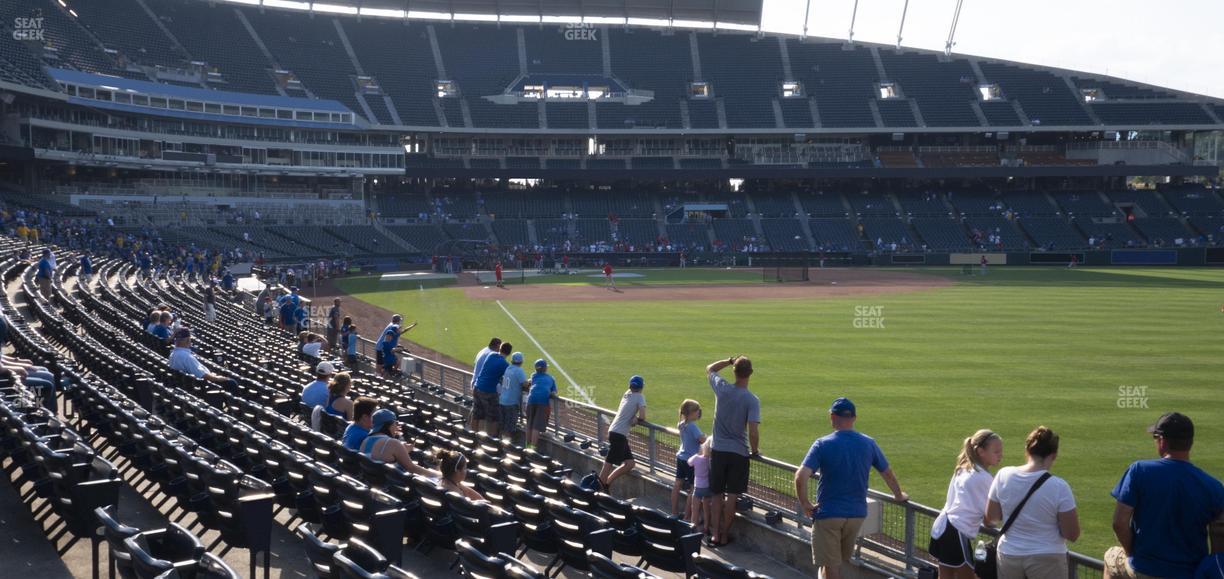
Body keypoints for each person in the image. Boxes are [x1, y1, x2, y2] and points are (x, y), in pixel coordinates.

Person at [795, 397, 907, 579]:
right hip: (856, 515)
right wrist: (899, 495)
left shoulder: (822, 444)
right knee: (833, 563)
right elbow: (887, 473)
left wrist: (805, 504)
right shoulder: (868, 443)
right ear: (854, 418)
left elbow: (800, 476)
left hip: (828, 515)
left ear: (832, 417)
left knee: (831, 567)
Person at [1104, 413, 1224, 579]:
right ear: (1191, 442)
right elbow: (1219, 541)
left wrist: (1133, 553)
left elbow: (1119, 523)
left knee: (1110, 556)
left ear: (1162, 440)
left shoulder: (1139, 470)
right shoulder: (1214, 487)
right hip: (1190, 573)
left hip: (1144, 568)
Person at [985, 426, 1080, 579]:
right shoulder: (1059, 486)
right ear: (1054, 455)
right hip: (1048, 557)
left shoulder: (1003, 475)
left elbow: (991, 518)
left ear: (1027, 450)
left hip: (1009, 555)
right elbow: (1072, 533)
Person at [930, 430, 1004, 579]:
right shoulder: (983, 477)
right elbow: (990, 519)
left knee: (945, 576)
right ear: (981, 451)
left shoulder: (963, 468)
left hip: (943, 527)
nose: (1000, 455)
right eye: (996, 452)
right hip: (956, 532)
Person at [705, 356, 761, 549]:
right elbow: (753, 431)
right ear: (750, 373)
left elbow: (710, 368)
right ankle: (723, 535)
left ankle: (713, 534)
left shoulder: (722, 388)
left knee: (716, 495)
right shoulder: (752, 400)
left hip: (718, 450)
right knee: (732, 497)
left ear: (734, 372)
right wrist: (755, 451)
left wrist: (729, 360)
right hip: (739, 453)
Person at [598, 375, 646, 492]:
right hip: (619, 434)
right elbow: (643, 416)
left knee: (630, 463)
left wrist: (635, 417)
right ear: (641, 387)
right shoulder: (640, 397)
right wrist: (638, 419)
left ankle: (607, 483)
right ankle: (598, 489)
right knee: (608, 463)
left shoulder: (627, 393)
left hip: (616, 432)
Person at [360, 409, 440, 477]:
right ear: (389, 425)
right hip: (388, 485)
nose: (397, 427)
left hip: (369, 479)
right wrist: (438, 475)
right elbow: (412, 468)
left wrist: (402, 450)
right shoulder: (393, 443)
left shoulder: (365, 440)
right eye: (395, 423)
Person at [167, 328, 237, 388]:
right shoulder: (186, 356)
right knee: (232, 382)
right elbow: (202, 375)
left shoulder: (173, 353)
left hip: (187, 383)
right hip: (201, 385)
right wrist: (218, 378)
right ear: (188, 340)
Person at [673, 399, 706, 516]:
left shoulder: (681, 424)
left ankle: (674, 512)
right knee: (693, 489)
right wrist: (706, 437)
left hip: (681, 458)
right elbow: (703, 440)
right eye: (697, 411)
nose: (699, 413)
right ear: (691, 413)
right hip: (690, 461)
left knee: (677, 484)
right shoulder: (692, 426)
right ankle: (687, 516)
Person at [471, 342, 512, 433]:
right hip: (488, 391)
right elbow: (510, 377)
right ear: (509, 353)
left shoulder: (491, 355)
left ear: (500, 349)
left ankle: (472, 436)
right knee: (495, 418)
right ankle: (492, 441)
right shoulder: (504, 364)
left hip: (477, 387)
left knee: (476, 415)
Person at [525, 359, 556, 448]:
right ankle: (532, 449)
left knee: (529, 424)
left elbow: (529, 382)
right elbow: (554, 392)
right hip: (542, 401)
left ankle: (527, 446)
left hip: (531, 400)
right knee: (536, 426)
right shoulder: (550, 378)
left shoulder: (533, 375)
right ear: (545, 368)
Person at [498, 352, 528, 442]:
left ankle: (499, 443)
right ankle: (506, 447)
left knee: (502, 426)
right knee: (509, 427)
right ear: (521, 361)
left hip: (502, 400)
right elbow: (525, 384)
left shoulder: (508, 368)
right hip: (511, 402)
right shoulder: (519, 370)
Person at [688, 439, 713, 533]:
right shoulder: (710, 461)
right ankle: (706, 527)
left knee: (694, 509)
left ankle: (692, 527)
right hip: (708, 488)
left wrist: (697, 454)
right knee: (707, 510)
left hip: (698, 488)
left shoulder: (696, 458)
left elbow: (689, 462)